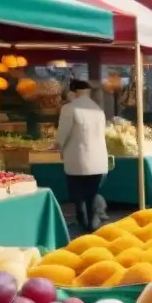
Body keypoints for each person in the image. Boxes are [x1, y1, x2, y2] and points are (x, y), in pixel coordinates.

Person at [57, 79, 109, 234]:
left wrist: (58, 146)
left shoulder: (69, 108)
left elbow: (62, 134)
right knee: (91, 194)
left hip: (77, 158)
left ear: (72, 92)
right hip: (98, 159)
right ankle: (92, 224)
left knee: (78, 196)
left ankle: (83, 224)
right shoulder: (98, 110)